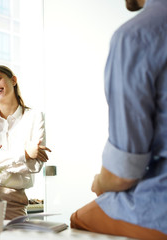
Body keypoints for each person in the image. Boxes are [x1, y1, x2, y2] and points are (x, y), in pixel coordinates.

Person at [70, 0, 167, 239]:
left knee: (78, 220)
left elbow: (122, 174)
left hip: (160, 208)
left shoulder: (135, 36)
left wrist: (101, 183)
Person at [0, 65, 51, 220]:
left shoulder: (34, 117)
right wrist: (24, 154)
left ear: (13, 80)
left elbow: (34, 165)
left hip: (14, 203)